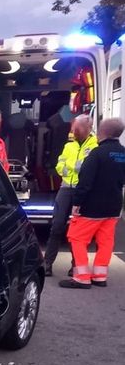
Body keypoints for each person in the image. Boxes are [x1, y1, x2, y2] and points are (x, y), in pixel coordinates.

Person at [59, 117, 125, 289]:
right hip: (113, 206)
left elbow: (85, 182)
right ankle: (99, 276)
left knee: (77, 238)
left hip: (92, 207)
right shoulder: (123, 153)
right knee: (106, 242)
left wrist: (77, 202)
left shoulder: (96, 154)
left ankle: (82, 278)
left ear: (102, 132)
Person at [43, 114, 97, 275]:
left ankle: (76, 266)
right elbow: (60, 165)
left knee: (79, 233)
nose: (74, 131)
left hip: (83, 190)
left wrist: (71, 167)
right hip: (66, 188)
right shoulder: (69, 146)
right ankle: (47, 264)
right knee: (56, 226)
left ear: (87, 128)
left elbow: (88, 169)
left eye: (77, 128)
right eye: (73, 128)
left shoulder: (95, 147)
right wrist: (72, 168)